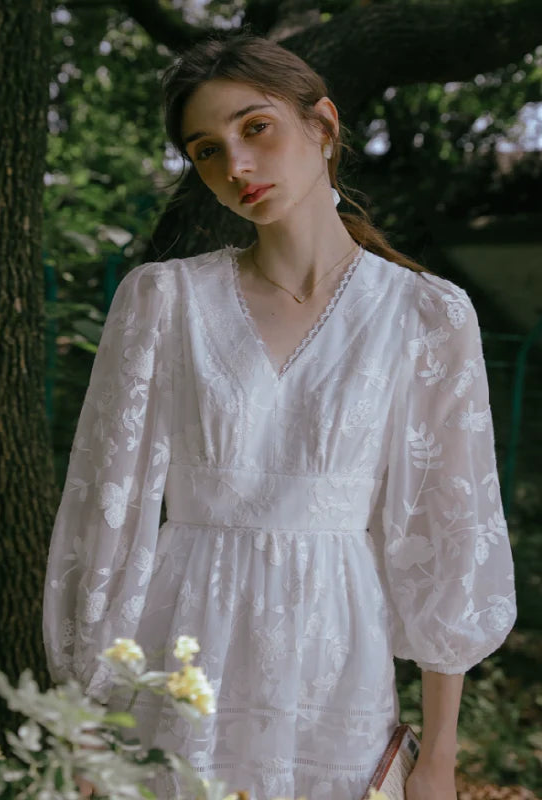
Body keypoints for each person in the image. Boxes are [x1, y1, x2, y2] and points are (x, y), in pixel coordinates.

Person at [43, 30, 517, 800]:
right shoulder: (164, 301)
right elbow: (107, 510)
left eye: (254, 127)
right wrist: (86, 720)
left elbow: (447, 533)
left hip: (337, 660)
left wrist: (437, 758)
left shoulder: (426, 315)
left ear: (322, 126)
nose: (236, 165)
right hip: (180, 643)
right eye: (206, 149)